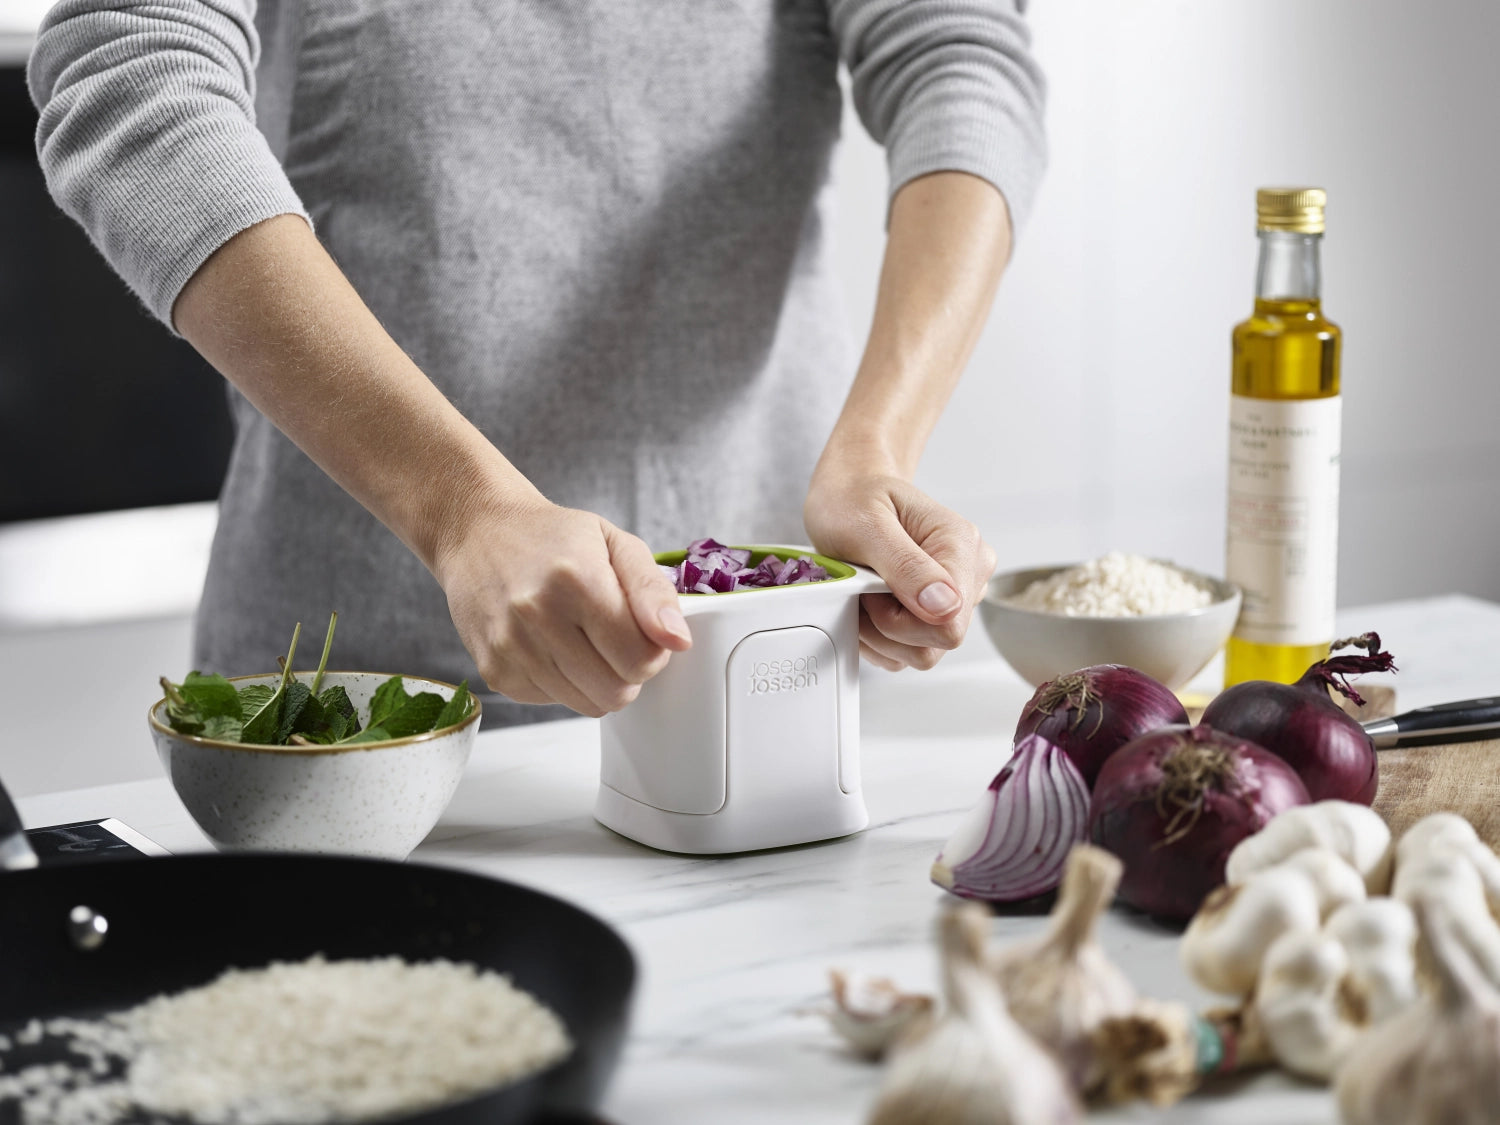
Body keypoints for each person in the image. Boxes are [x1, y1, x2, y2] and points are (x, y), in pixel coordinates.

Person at [28, 1, 1046, 725]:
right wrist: (461, 507)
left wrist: (878, 448)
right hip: (369, 704)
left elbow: (961, 51)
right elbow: (131, 64)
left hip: (760, 667)